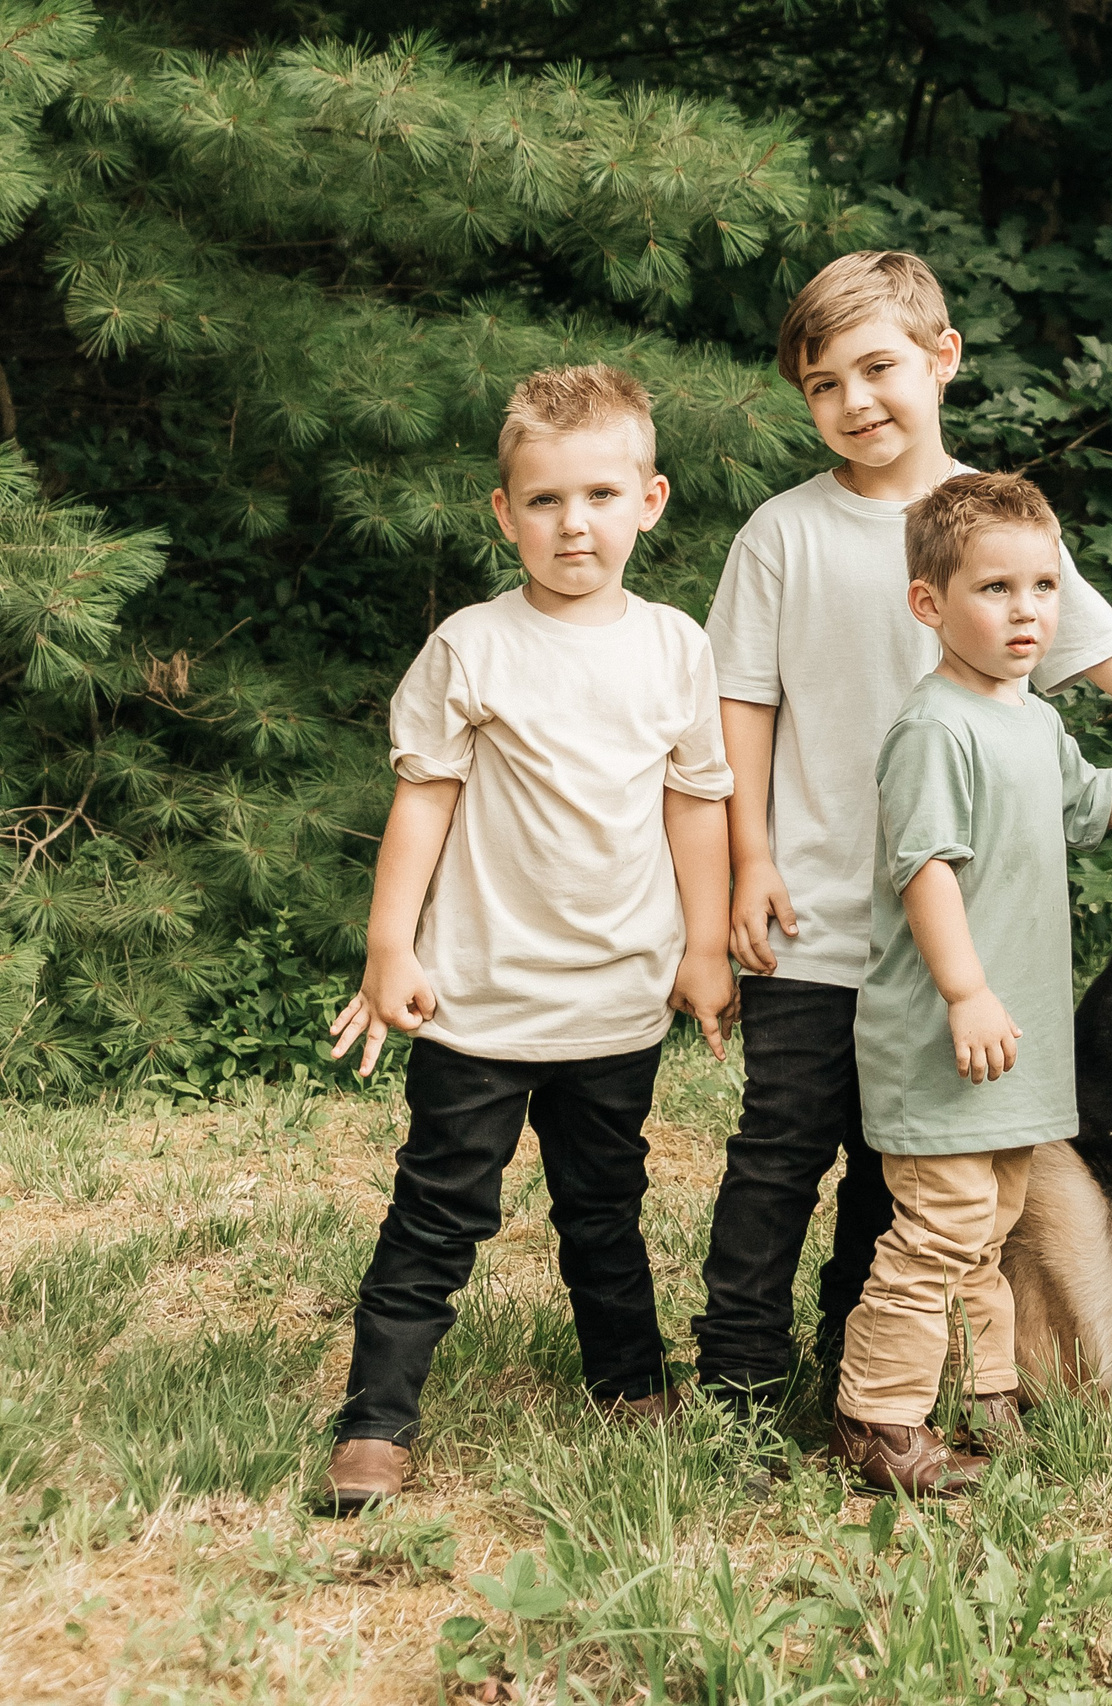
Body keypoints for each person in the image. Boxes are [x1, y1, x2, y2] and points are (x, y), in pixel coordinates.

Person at [693, 251, 1112, 1425]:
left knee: (889, 1172)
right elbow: (738, 705)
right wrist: (748, 858)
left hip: (951, 956)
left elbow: (1108, 651)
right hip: (815, 918)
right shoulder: (783, 534)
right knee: (780, 1149)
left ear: (944, 358)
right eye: (823, 383)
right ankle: (738, 1375)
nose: (855, 400)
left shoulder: (999, 533)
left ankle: (856, 1375)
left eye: (879, 367)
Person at [315, 365, 735, 1514]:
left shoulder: (674, 648)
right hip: (482, 999)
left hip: (616, 996)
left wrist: (706, 946)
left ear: (649, 500)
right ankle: (376, 1421)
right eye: (544, 500)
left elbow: (695, 802)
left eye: (601, 494)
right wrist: (389, 948)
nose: (574, 523)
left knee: (605, 1202)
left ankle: (630, 1383)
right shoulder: (471, 647)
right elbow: (424, 802)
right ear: (505, 513)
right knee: (439, 1207)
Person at [821, 471, 1112, 1495]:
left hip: (1015, 1043)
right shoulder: (936, 729)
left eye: (1044, 588)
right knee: (938, 1227)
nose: (1027, 612)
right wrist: (965, 991)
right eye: (996, 589)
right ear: (930, 603)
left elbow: (1091, 801)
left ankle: (986, 1390)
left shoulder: (1027, 719)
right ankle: (877, 1412)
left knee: (991, 1224)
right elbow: (923, 868)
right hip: (946, 1036)